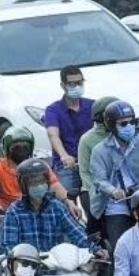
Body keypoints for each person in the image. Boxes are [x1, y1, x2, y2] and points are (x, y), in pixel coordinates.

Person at [89, 99, 139, 242]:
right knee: (121, 246)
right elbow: (99, 180)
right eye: (123, 123)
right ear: (112, 125)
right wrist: (113, 191)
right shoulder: (100, 150)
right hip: (117, 206)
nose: (129, 126)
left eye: (132, 122)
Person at [0, 158, 95, 255]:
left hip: (55, 265)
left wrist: (94, 249)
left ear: (47, 183)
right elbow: (9, 246)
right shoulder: (14, 212)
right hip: (26, 266)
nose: (39, 186)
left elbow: (75, 232)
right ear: (23, 186)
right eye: (34, 183)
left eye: (42, 182)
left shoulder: (57, 208)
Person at [0, 125, 75, 219]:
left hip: (36, 213)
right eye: (16, 147)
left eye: (25, 146)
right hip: (8, 215)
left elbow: (54, 185)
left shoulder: (39, 166)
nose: (21, 149)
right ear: (7, 148)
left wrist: (69, 202)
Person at [43, 65, 94, 199]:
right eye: (72, 84)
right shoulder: (53, 110)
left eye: (80, 83)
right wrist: (64, 155)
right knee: (65, 199)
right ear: (63, 85)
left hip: (91, 162)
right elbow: (53, 134)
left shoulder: (92, 105)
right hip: (67, 165)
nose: (77, 86)